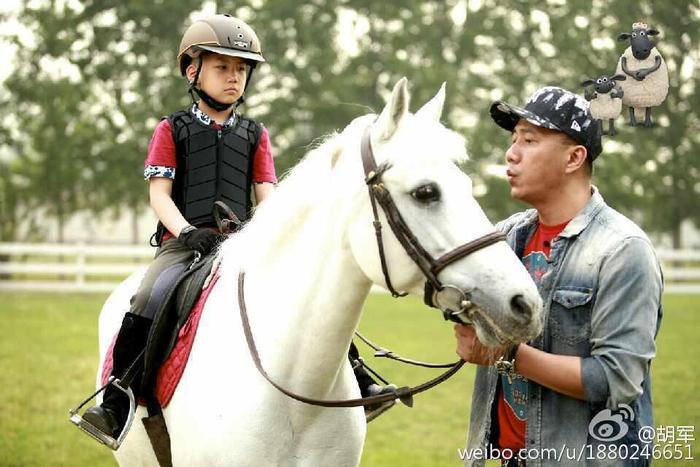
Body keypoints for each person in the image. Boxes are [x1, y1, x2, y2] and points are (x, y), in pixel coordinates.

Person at [78, 14, 391, 444]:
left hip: (242, 241)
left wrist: (275, 236)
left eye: (241, 69)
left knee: (308, 291)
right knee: (150, 295)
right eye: (222, 67)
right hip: (183, 243)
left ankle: (358, 374)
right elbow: (159, 196)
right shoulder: (172, 129)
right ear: (193, 70)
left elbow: (267, 195)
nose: (233, 77)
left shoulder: (255, 134)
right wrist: (187, 232)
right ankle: (115, 399)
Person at [455, 86, 663, 467]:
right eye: (513, 138)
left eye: (529, 140)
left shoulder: (623, 249)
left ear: (573, 157)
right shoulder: (506, 238)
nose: (511, 153)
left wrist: (506, 354)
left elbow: (615, 379)